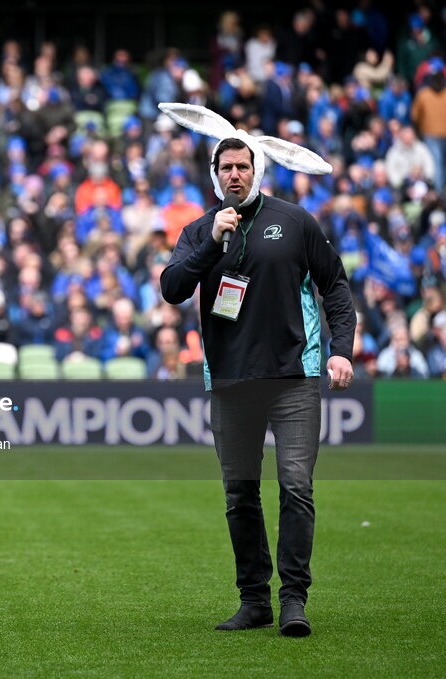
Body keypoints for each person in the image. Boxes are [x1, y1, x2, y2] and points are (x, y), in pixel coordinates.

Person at [161, 131, 356, 637]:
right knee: (239, 495)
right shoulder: (201, 230)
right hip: (229, 380)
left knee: (296, 487)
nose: (234, 175)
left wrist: (341, 352)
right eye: (225, 168)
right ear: (214, 174)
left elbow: (334, 285)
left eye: (242, 167)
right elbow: (172, 287)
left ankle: (294, 600)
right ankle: (255, 601)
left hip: (293, 376)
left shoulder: (294, 221)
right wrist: (211, 243)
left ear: (257, 171)